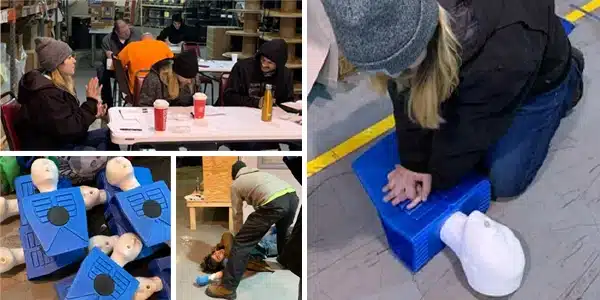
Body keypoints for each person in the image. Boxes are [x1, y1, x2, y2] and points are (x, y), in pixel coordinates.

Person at [320, 0, 585, 204]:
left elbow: (472, 131)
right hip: (477, 62)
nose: (392, 76)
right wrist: (413, 161)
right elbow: (404, 88)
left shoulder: (506, 51)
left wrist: (434, 175)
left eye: (400, 65)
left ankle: (571, 75)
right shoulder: (402, 17)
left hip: (537, 80)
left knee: (504, 182)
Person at [206, 161, 299, 299]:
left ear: (234, 175)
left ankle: (227, 288)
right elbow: (263, 201)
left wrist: (239, 238)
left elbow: (237, 213)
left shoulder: (236, 184)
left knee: (242, 244)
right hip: (292, 198)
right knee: (282, 231)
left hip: (274, 203)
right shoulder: (260, 174)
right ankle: (285, 260)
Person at [15, 38, 118, 150]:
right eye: (69, 58)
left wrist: (93, 112)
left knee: (110, 135)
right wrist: (90, 103)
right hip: (52, 150)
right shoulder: (47, 95)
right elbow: (72, 129)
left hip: (61, 141)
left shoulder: (53, 86)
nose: (74, 61)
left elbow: (68, 121)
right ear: (57, 64)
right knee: (103, 152)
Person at [223, 39, 294, 108]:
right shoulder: (242, 68)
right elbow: (228, 97)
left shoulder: (285, 75)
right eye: (263, 60)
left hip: (272, 114)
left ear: (278, 65)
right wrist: (256, 102)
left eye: (270, 63)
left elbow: (288, 102)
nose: (264, 65)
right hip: (241, 113)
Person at [199, 230, 277, 280]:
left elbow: (227, 234)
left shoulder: (226, 246)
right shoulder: (231, 260)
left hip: (261, 237)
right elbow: (228, 271)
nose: (219, 252)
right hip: (267, 247)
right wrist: (212, 276)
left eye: (215, 253)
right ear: (223, 262)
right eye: (218, 257)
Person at [98, 19, 142, 108]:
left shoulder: (137, 35)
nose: (127, 33)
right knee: (101, 70)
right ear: (117, 32)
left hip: (133, 67)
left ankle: (139, 100)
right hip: (116, 69)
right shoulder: (107, 40)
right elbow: (106, 60)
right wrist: (108, 55)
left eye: (127, 30)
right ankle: (107, 104)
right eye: (123, 32)